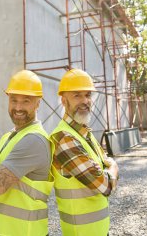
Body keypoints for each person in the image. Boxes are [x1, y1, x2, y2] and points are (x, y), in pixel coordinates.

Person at [0, 70, 53, 236]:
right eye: (14, 100)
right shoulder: (8, 137)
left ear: (38, 104)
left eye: (26, 101)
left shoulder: (34, 140)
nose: (18, 107)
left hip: (26, 231)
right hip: (0, 228)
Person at [50, 68, 119, 236]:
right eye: (77, 95)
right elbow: (105, 185)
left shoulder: (84, 133)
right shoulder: (64, 138)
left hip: (97, 230)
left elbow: (103, 163)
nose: (85, 101)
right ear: (63, 101)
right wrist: (115, 168)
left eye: (88, 95)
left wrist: (107, 169)